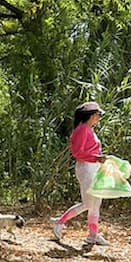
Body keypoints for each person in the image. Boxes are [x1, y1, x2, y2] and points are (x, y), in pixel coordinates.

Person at [52, 101, 108, 245]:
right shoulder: (82, 129)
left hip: (93, 167)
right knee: (89, 203)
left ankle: (93, 235)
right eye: (98, 114)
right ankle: (60, 221)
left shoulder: (89, 129)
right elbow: (78, 153)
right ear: (91, 115)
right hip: (86, 168)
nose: (99, 117)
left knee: (96, 202)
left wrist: (98, 158)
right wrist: (96, 157)